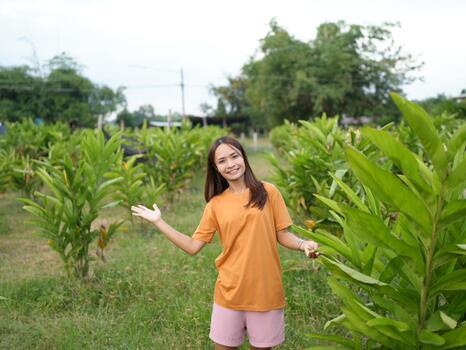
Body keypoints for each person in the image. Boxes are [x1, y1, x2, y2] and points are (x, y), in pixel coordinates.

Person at [131, 136, 319, 350]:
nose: (230, 164)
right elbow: (193, 246)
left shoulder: (268, 192)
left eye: (234, 156)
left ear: (243, 157)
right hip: (229, 293)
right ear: (216, 168)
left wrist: (304, 244)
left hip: (265, 292)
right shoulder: (215, 205)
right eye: (222, 161)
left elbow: (283, 235)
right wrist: (159, 222)